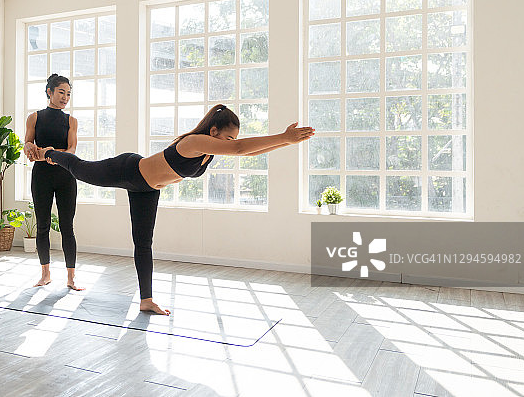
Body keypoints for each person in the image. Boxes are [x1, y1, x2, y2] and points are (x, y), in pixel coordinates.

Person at [26, 104, 315, 315]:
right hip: (129, 170)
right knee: (79, 169)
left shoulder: (209, 151)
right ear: (213, 131)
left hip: (148, 188)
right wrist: (284, 137)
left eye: (230, 140)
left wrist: (284, 143)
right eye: (226, 138)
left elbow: (245, 150)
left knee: (143, 243)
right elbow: (240, 149)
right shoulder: (193, 142)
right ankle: (50, 154)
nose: (229, 145)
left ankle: (146, 300)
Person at [22, 74, 84, 291]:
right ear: (49, 91)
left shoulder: (71, 121)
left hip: (66, 176)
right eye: (61, 92)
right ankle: (45, 274)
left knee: (67, 226)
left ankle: (71, 277)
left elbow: (72, 150)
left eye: (68, 94)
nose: (65, 97)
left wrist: (47, 151)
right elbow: (28, 143)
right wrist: (29, 148)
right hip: (41, 176)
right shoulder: (34, 118)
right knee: (42, 226)